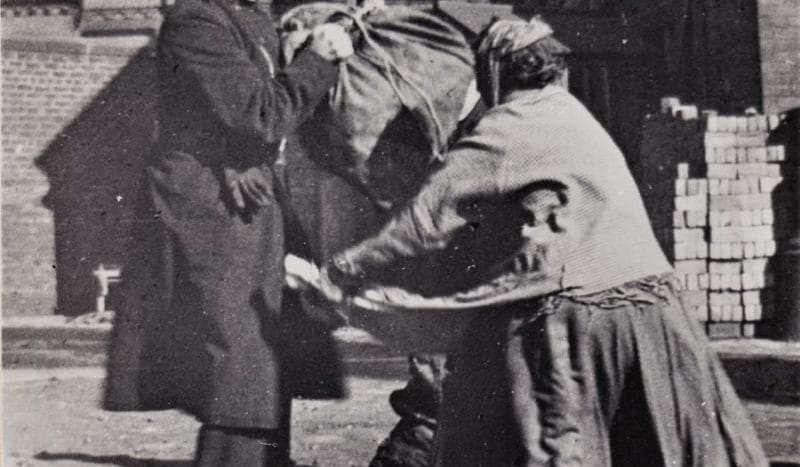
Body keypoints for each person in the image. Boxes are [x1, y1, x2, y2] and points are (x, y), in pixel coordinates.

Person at [314, 17, 769, 467]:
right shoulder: (575, 114)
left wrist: (341, 269)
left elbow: (422, 220)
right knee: (649, 444)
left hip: (578, 316)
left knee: (553, 443)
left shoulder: (507, 127)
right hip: (656, 313)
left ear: (493, 71)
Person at [103, 0, 353, 466]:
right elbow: (260, 113)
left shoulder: (253, 20)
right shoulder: (196, 20)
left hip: (250, 195)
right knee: (240, 355)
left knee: (264, 344)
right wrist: (316, 59)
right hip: (213, 205)